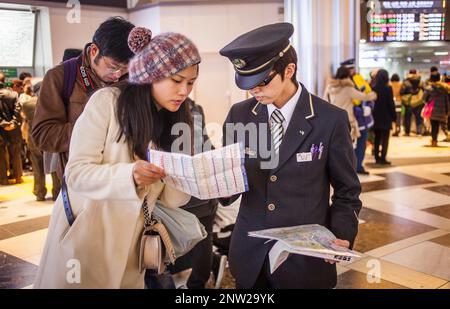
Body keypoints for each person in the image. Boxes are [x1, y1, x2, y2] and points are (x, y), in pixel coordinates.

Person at [34, 29, 202, 288]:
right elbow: (76, 173)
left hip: (132, 248)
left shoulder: (177, 120)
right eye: (177, 80)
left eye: (190, 82)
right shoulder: (107, 103)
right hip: (85, 239)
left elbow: (171, 199)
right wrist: (129, 175)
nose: (184, 91)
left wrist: (187, 175)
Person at [219, 23, 362, 288]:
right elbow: (230, 185)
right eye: (248, 84)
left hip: (305, 260)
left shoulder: (330, 120)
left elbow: (347, 191)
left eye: (262, 82)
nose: (254, 91)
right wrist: (217, 183)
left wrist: (342, 234)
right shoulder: (240, 116)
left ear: (289, 70)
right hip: (251, 256)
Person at [32, 17, 135, 179]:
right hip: (80, 180)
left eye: (125, 69)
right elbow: (43, 135)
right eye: (113, 67)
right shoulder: (60, 76)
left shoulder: (131, 77)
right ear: (94, 51)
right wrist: (93, 130)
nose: (117, 75)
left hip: (123, 177)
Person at [323, 66, 376, 175]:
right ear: (347, 76)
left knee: (336, 147)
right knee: (351, 147)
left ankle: (336, 168)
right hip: (348, 122)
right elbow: (364, 97)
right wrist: (373, 95)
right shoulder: (348, 89)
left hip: (333, 122)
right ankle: (352, 169)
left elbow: (324, 102)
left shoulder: (329, 87)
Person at [372, 69, 396, 165]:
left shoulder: (373, 87)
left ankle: (376, 158)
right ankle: (383, 158)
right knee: (385, 138)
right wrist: (394, 116)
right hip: (386, 117)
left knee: (377, 138)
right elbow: (391, 103)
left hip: (376, 116)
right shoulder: (388, 88)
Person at [0, 87, 23, 185]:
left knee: (1, 155)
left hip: (0, 129)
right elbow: (18, 110)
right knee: (16, 153)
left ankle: (3, 179)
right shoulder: (14, 94)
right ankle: (18, 177)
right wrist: (13, 123)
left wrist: (3, 123)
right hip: (14, 129)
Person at [423, 72, 450, 147]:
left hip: (432, 110)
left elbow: (424, 98)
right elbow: (446, 100)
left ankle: (434, 140)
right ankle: (438, 138)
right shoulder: (444, 88)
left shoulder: (429, 88)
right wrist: (447, 111)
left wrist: (428, 101)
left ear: (431, 79)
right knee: (440, 125)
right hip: (442, 110)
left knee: (434, 125)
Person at [400, 69, 424, 136]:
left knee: (407, 117)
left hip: (408, 102)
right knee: (419, 117)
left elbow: (401, 92)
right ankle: (419, 132)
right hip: (418, 101)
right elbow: (424, 91)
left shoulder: (406, 82)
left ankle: (407, 132)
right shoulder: (420, 81)